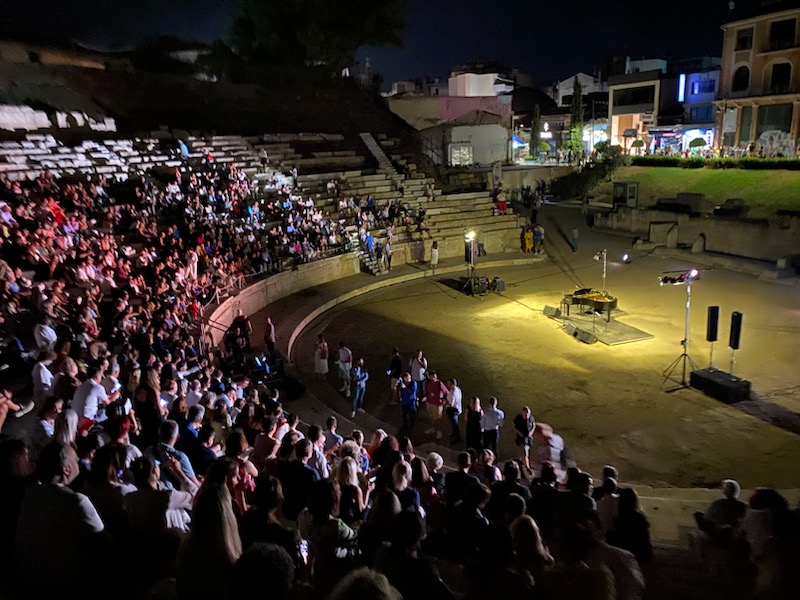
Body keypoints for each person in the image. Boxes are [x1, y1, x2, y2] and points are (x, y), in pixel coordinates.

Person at [14, 442, 106, 597]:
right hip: (63, 585)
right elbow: (103, 541)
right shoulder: (76, 501)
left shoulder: (29, 495)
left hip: (26, 579)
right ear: (66, 469)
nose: (79, 463)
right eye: (76, 461)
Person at [423, 370, 448, 439]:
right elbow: (427, 391)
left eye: (434, 376)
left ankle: (439, 431)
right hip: (429, 402)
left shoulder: (439, 384)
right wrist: (425, 397)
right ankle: (433, 428)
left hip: (437, 404)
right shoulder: (428, 382)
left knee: (437, 419)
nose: (432, 378)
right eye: (431, 376)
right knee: (431, 417)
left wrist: (444, 400)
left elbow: (446, 392)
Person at [512, 406, 536, 472]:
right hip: (521, 438)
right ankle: (527, 467)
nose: (527, 415)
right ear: (523, 412)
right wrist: (519, 433)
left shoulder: (531, 418)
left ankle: (522, 465)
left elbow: (534, 425)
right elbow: (514, 426)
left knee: (524, 453)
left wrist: (531, 432)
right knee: (525, 453)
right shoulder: (518, 418)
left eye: (528, 413)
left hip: (528, 438)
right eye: (525, 413)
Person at [445, 378, 462, 445]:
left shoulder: (453, 393)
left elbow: (451, 404)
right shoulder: (457, 389)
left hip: (453, 411)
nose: (447, 385)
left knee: (454, 424)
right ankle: (455, 435)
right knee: (455, 424)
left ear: (452, 384)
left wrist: (444, 401)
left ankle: (456, 437)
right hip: (457, 409)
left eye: (448, 383)